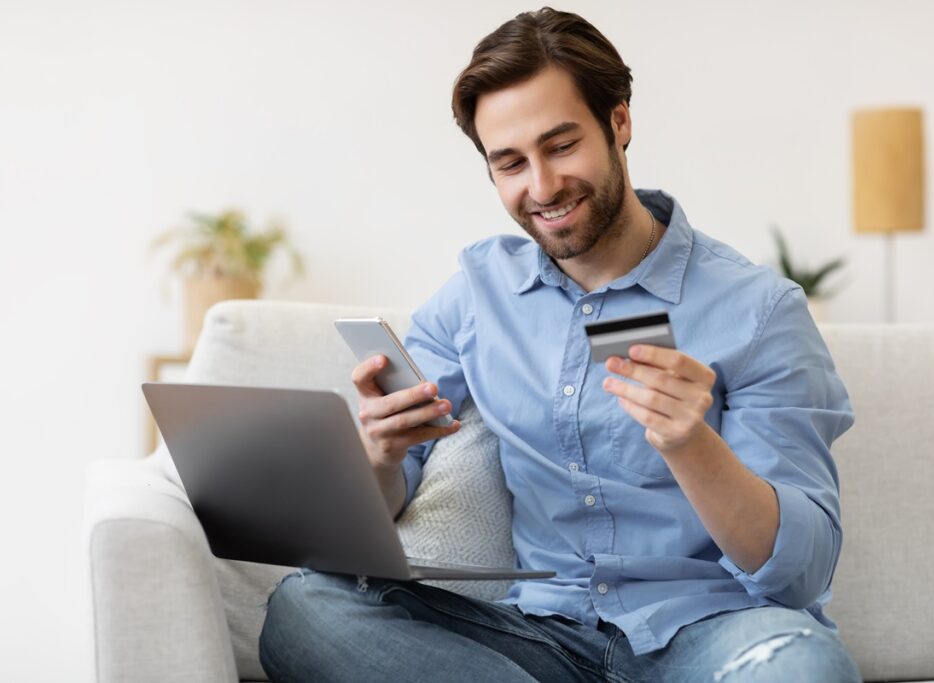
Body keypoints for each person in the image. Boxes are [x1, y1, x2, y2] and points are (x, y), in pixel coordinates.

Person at [259, 7, 862, 682]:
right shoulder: (475, 297)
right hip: (539, 638)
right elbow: (380, 505)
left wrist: (694, 445)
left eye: (562, 145)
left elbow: (802, 572)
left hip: (712, 634)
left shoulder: (757, 310)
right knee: (303, 608)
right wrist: (378, 453)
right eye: (510, 162)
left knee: (803, 668)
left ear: (620, 122)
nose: (542, 187)